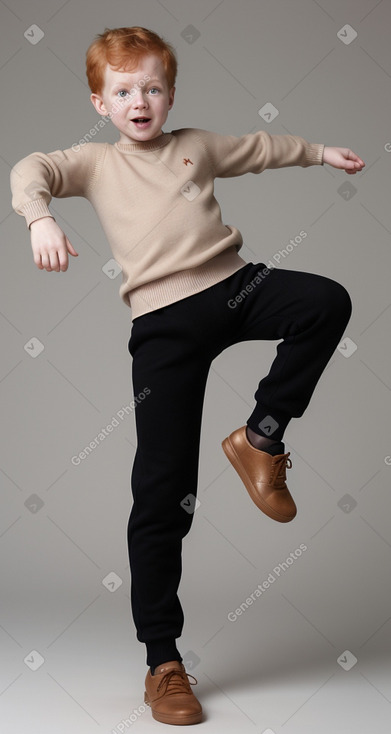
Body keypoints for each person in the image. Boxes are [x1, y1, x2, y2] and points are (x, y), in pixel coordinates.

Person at [10, 25, 365, 726]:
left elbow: (259, 150)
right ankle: (163, 663)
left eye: (151, 88)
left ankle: (260, 438)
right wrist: (37, 220)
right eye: (122, 91)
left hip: (235, 288)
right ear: (100, 100)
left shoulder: (194, 147)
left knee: (324, 301)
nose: (138, 101)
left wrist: (320, 152)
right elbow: (31, 168)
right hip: (165, 327)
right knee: (164, 492)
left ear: (169, 95)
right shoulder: (93, 163)